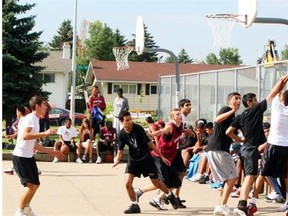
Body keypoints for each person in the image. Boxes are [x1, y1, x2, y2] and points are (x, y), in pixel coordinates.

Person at [226, 74, 288, 216]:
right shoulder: (257, 110)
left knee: (258, 174)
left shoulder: (241, 116)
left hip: (255, 147)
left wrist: (240, 140)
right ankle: (243, 204)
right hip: (272, 147)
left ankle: (250, 203)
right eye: (255, 99)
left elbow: (228, 131)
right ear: (249, 103)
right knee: (254, 176)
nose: (258, 101)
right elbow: (275, 93)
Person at [112, 110, 179, 214]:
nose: (129, 122)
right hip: (133, 161)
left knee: (156, 182)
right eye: (126, 120)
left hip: (146, 160)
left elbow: (150, 144)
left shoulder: (138, 129)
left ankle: (170, 196)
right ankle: (135, 205)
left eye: (130, 119)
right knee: (127, 183)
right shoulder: (121, 134)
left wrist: (161, 156)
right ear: (121, 122)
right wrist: (116, 159)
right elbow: (120, 152)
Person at [12, 95, 64, 216]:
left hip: (28, 156)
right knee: (31, 186)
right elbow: (25, 136)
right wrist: (44, 133)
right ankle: (19, 211)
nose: (46, 107)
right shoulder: (30, 118)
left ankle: (26, 207)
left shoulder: (35, 119)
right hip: (20, 156)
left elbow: (33, 143)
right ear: (37, 106)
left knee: (35, 185)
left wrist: (52, 152)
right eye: (44, 104)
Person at [249, 75, 288, 214]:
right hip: (286, 147)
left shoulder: (277, 105)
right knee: (286, 175)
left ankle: (252, 203)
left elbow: (276, 92)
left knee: (262, 173)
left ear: (282, 98)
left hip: (274, 145)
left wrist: (282, 81)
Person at [205, 92, 242, 216]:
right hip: (218, 148)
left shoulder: (234, 117)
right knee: (233, 177)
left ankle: (220, 205)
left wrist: (241, 139)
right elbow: (217, 119)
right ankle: (222, 205)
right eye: (236, 98)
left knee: (228, 178)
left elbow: (230, 133)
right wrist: (232, 110)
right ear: (229, 101)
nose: (238, 101)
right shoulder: (226, 109)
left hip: (218, 148)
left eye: (240, 99)